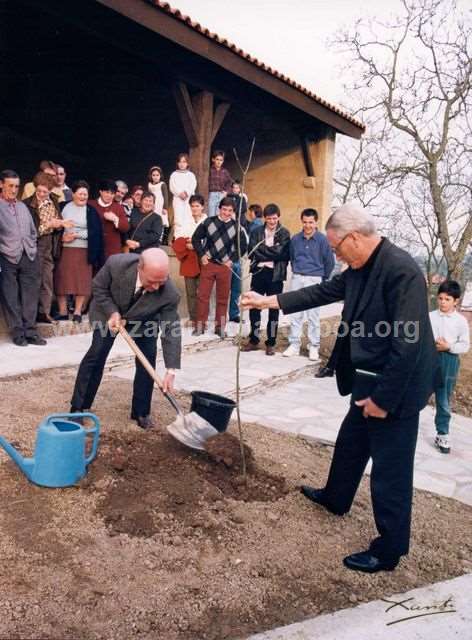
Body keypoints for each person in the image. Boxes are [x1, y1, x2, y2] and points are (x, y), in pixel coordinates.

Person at [241, 203, 438, 573]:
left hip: (396, 386)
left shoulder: (402, 271)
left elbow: (408, 344)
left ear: (354, 238)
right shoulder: (359, 267)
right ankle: (336, 498)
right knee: (351, 444)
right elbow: (322, 292)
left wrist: (384, 400)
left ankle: (389, 549)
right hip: (368, 375)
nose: (334, 255)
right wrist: (268, 300)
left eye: (336, 248)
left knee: (390, 470)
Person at [70, 248, 181, 430]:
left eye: (161, 282)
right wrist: (112, 312)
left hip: (145, 319)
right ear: (140, 268)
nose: (156, 287)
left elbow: (171, 329)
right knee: (96, 354)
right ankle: (78, 407)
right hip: (108, 312)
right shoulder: (117, 264)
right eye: (152, 282)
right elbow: (99, 287)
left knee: (147, 359)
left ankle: (141, 412)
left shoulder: (170, 293)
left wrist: (171, 369)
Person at [0, 169, 46, 346]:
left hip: (29, 255)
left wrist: (31, 246)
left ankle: (31, 332)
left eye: (17, 186)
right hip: (7, 256)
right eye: (10, 185)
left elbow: (33, 231)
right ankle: (18, 333)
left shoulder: (22, 206)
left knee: (30, 295)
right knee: (10, 296)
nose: (14, 190)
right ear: (1, 184)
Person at [283, 208, 334, 362]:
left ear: (316, 222)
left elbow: (329, 262)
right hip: (298, 277)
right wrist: (297, 273)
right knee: (295, 313)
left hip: (315, 279)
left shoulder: (323, 240)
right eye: (305, 222)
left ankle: (314, 346)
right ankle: (294, 345)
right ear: (302, 221)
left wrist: (322, 279)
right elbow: (292, 258)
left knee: (313, 315)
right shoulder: (295, 239)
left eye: (311, 222)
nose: (308, 225)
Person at [192, 197, 247, 338]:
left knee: (223, 298)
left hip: (225, 266)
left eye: (230, 210)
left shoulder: (237, 226)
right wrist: (202, 255)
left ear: (233, 212)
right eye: (224, 209)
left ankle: (220, 327)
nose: (226, 213)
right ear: (219, 209)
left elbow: (243, 247)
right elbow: (195, 238)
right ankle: (200, 326)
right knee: (202, 296)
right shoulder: (208, 222)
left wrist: (232, 260)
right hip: (209, 263)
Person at [24, 172, 73, 324]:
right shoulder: (27, 204)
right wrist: (50, 225)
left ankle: (44, 313)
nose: (41, 194)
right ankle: (29, 316)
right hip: (34, 244)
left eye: (45, 192)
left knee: (47, 280)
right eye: (39, 191)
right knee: (34, 280)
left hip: (50, 244)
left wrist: (61, 225)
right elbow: (29, 230)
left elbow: (56, 223)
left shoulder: (54, 200)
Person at [241, 203, 290, 355]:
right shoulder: (256, 231)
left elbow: (282, 253)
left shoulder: (284, 233)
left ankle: (271, 342)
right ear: (265, 218)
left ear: (278, 217)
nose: (272, 221)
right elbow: (252, 251)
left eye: (274, 218)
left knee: (274, 309)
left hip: (275, 274)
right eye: (269, 218)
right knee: (254, 307)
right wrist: (272, 252)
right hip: (258, 272)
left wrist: (264, 251)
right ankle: (254, 340)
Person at [430, 280, 470, 454]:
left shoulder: (460, 321)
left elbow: (465, 345)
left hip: (449, 360)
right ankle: (403, 427)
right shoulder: (430, 316)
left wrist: (449, 347)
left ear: (456, 301)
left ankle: (443, 432)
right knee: (416, 391)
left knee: (444, 396)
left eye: (447, 299)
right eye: (440, 298)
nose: (443, 302)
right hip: (429, 357)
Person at [54, 181, 103, 323]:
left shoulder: (91, 211)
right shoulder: (64, 207)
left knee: (81, 281)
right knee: (61, 279)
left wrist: (76, 235)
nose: (83, 196)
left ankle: (77, 311)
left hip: (84, 250)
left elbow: (95, 233)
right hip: (64, 249)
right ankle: (63, 311)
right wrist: (63, 237)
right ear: (73, 194)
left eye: (85, 194)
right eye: (80, 193)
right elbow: (56, 226)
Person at [172, 194, 207, 327]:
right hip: (189, 257)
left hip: (203, 257)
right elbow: (178, 237)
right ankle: (193, 318)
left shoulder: (207, 221)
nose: (194, 208)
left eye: (197, 206)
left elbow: (210, 240)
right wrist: (187, 244)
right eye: (192, 206)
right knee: (191, 290)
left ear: (202, 207)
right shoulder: (185, 221)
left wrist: (197, 244)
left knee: (202, 291)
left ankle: (202, 319)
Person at [89, 180, 129, 259]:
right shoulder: (91, 204)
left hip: (112, 251)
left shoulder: (119, 207)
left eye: (112, 193)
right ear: (100, 192)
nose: (109, 196)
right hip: (94, 250)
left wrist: (115, 219)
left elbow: (126, 228)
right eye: (107, 192)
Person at [169, 153, 197, 239]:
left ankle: (188, 237)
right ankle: (178, 238)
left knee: (188, 217)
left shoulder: (191, 175)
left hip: (188, 200)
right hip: (178, 200)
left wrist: (187, 193)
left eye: (184, 162)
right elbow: (172, 186)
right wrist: (179, 193)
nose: (182, 164)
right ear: (177, 163)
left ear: (187, 163)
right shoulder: (174, 174)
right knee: (178, 219)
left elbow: (193, 185)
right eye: (180, 162)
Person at [147, 166, 170, 244]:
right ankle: (153, 237)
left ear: (160, 175)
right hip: (153, 204)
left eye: (157, 175)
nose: (155, 177)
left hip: (160, 205)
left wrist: (165, 207)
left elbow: (166, 196)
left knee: (162, 221)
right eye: (154, 175)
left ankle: (162, 238)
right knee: (153, 220)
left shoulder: (162, 184)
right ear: (151, 176)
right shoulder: (149, 185)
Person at [208, 150, 233, 218]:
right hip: (212, 195)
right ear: (213, 159)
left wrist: (226, 192)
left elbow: (230, 182)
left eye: (221, 160)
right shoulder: (209, 170)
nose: (219, 162)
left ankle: (218, 229)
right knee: (211, 215)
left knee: (219, 216)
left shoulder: (225, 171)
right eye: (217, 159)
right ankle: (211, 229)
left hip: (221, 195)